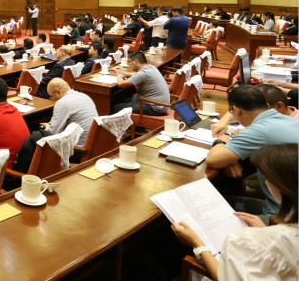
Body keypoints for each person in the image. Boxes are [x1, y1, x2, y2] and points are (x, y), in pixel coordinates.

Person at [171, 143, 298, 281]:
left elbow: (226, 277)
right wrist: (264, 229)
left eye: (268, 177)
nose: (266, 182)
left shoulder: (244, 240)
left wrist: (198, 245)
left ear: (282, 185)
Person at [206, 86, 299, 220]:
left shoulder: (259, 131)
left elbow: (213, 160)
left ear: (237, 110)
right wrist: (231, 159)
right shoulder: (286, 119)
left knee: (212, 203)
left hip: (281, 218)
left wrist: (222, 140)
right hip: (292, 207)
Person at [110, 51, 170, 116]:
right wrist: (123, 73)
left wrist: (119, 75)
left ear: (135, 61)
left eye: (130, 62)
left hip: (154, 108)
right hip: (159, 105)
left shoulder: (143, 73)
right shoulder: (151, 67)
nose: (129, 64)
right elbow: (137, 74)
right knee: (121, 99)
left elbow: (121, 84)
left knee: (115, 108)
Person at [42, 79, 97, 144]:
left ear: (58, 92)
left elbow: (53, 133)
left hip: (78, 147)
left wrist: (47, 126)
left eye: (51, 96)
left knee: (37, 137)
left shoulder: (62, 103)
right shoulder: (85, 96)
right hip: (94, 143)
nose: (52, 99)